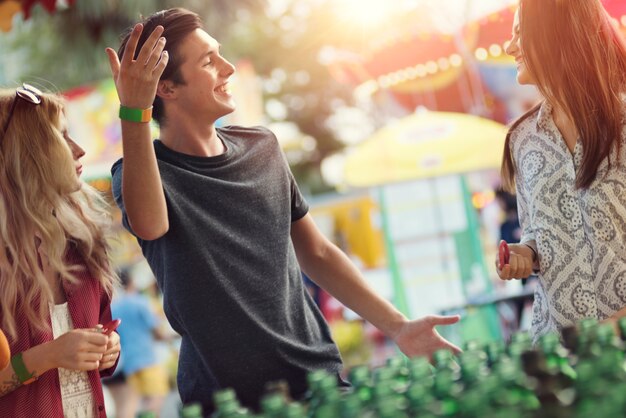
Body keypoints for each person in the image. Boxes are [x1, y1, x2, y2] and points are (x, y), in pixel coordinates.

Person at [104, 8, 461, 412]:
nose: (227, 69)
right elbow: (150, 225)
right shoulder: (140, 171)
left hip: (317, 380)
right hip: (225, 402)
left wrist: (398, 325)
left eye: (220, 54)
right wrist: (133, 111)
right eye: (208, 61)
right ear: (166, 88)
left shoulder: (264, 148)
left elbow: (318, 252)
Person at [497, 0, 626, 344]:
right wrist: (525, 255)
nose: (509, 47)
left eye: (520, 34)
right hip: (560, 357)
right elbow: (537, 232)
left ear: (559, 33)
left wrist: (618, 324)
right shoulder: (521, 140)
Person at [0, 85, 121, 417]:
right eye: (63, 137)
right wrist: (48, 356)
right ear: (27, 153)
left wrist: (108, 350)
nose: (80, 150)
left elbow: (98, 338)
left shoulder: (82, 242)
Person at [110, 269, 171, 418]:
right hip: (146, 359)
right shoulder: (140, 302)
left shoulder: (114, 308)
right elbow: (157, 332)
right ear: (132, 282)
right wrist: (168, 337)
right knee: (157, 397)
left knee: (131, 404)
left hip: (128, 363)